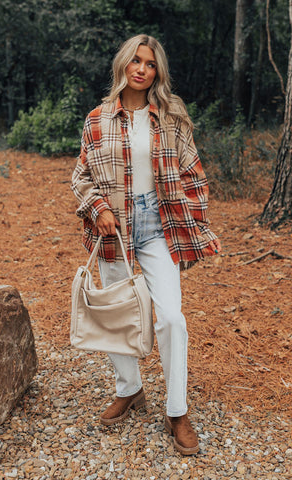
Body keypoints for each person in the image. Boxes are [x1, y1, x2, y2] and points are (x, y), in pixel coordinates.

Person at [71, 34, 221, 456]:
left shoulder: (171, 116)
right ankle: (130, 388)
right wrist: (97, 207)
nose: (141, 69)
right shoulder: (97, 119)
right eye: (135, 61)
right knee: (117, 316)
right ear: (123, 65)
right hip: (113, 228)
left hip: (158, 224)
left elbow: (194, 173)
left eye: (150, 64)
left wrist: (190, 216)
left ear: (158, 72)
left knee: (171, 317)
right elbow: (80, 177)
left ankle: (177, 410)